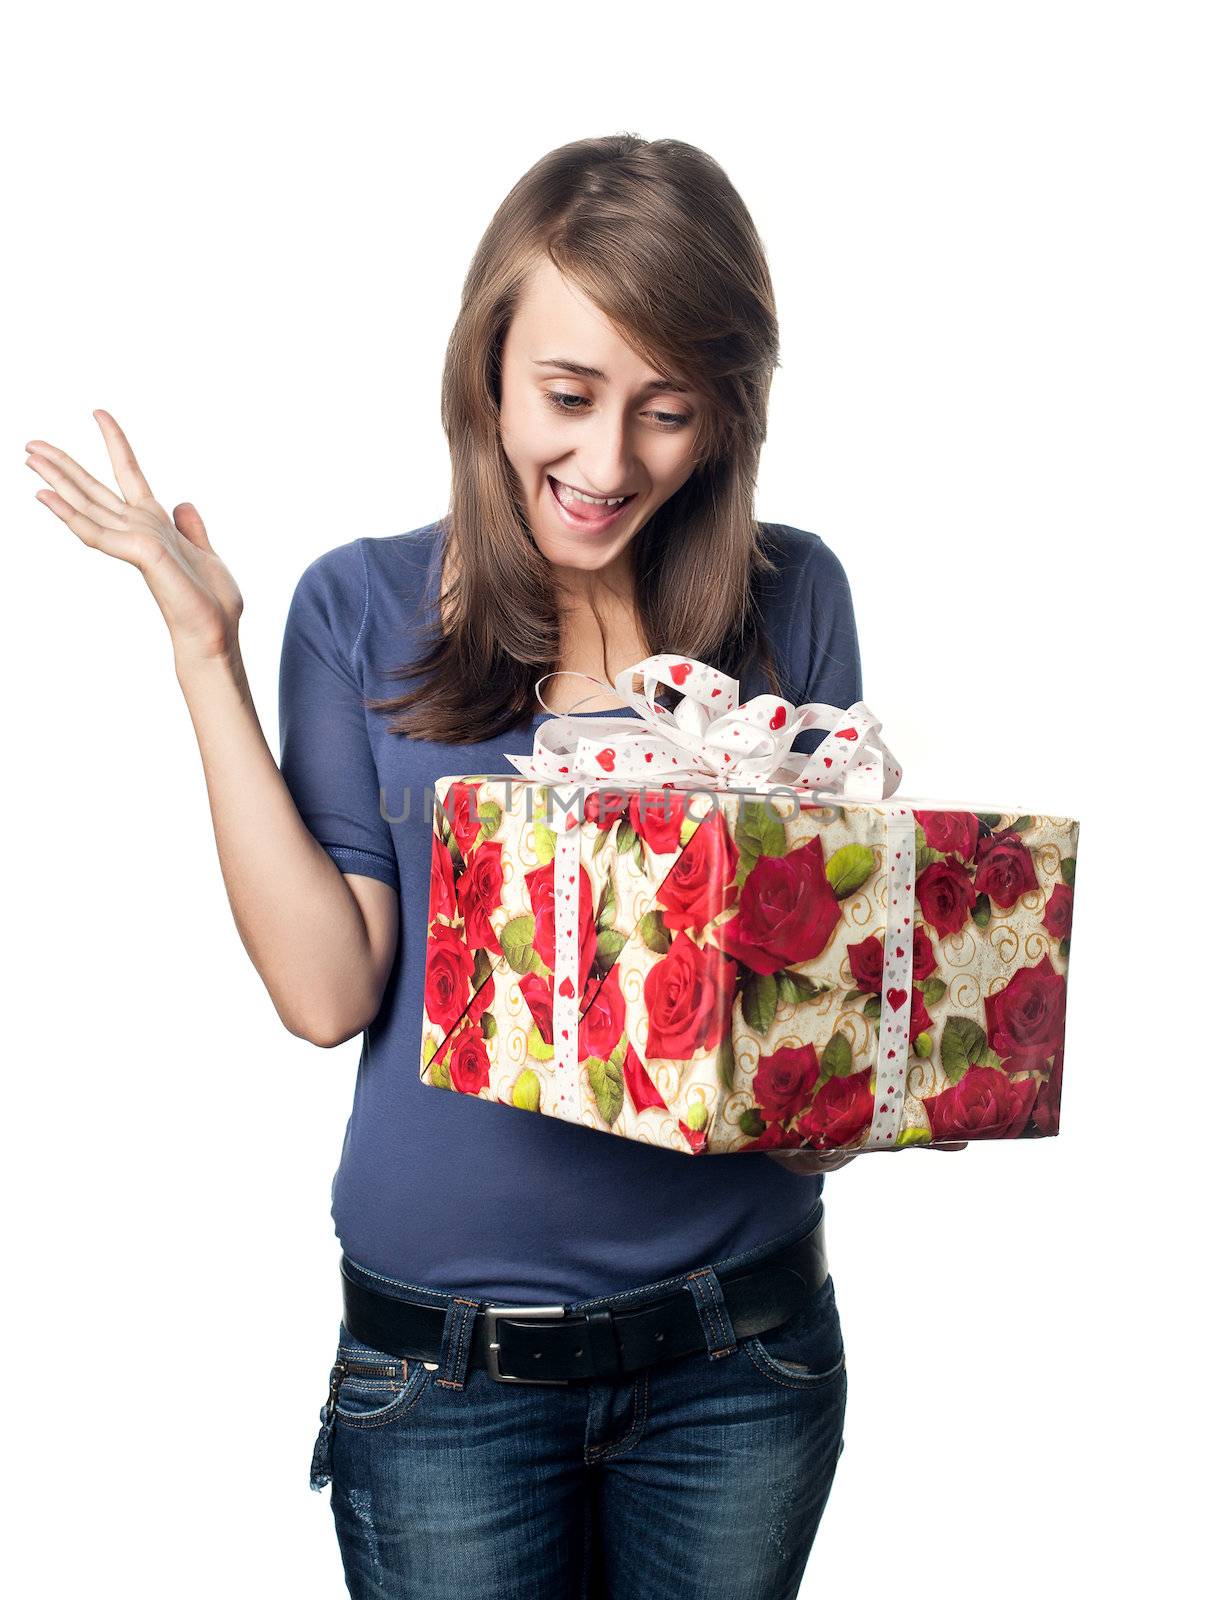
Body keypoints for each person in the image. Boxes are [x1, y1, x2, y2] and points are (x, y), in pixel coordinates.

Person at [24, 133, 962, 1600]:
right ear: (488, 370)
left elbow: (804, 1068)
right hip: (446, 1378)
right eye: (570, 398)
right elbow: (329, 995)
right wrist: (202, 651)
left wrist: (878, 1083)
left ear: (726, 418)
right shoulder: (360, 606)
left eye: (666, 413)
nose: (606, 465)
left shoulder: (795, 600)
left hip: (741, 1357)